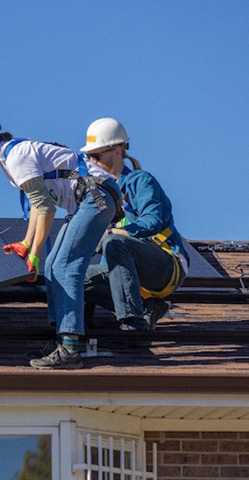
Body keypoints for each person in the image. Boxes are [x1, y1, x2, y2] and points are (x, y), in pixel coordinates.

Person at [0, 105, 123, 369]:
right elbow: (36, 207)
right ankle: (61, 339)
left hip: (95, 196)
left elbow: (46, 208)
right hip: (92, 197)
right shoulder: (10, 159)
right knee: (54, 266)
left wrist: (33, 253)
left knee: (66, 266)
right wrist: (27, 243)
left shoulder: (16, 157)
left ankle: (69, 348)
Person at [82, 118, 189, 334]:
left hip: (165, 264)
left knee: (114, 241)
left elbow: (153, 221)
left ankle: (134, 326)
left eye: (96, 156)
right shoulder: (98, 194)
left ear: (118, 151)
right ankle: (146, 307)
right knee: (72, 275)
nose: (91, 162)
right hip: (125, 273)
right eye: (88, 156)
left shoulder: (140, 182)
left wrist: (114, 232)